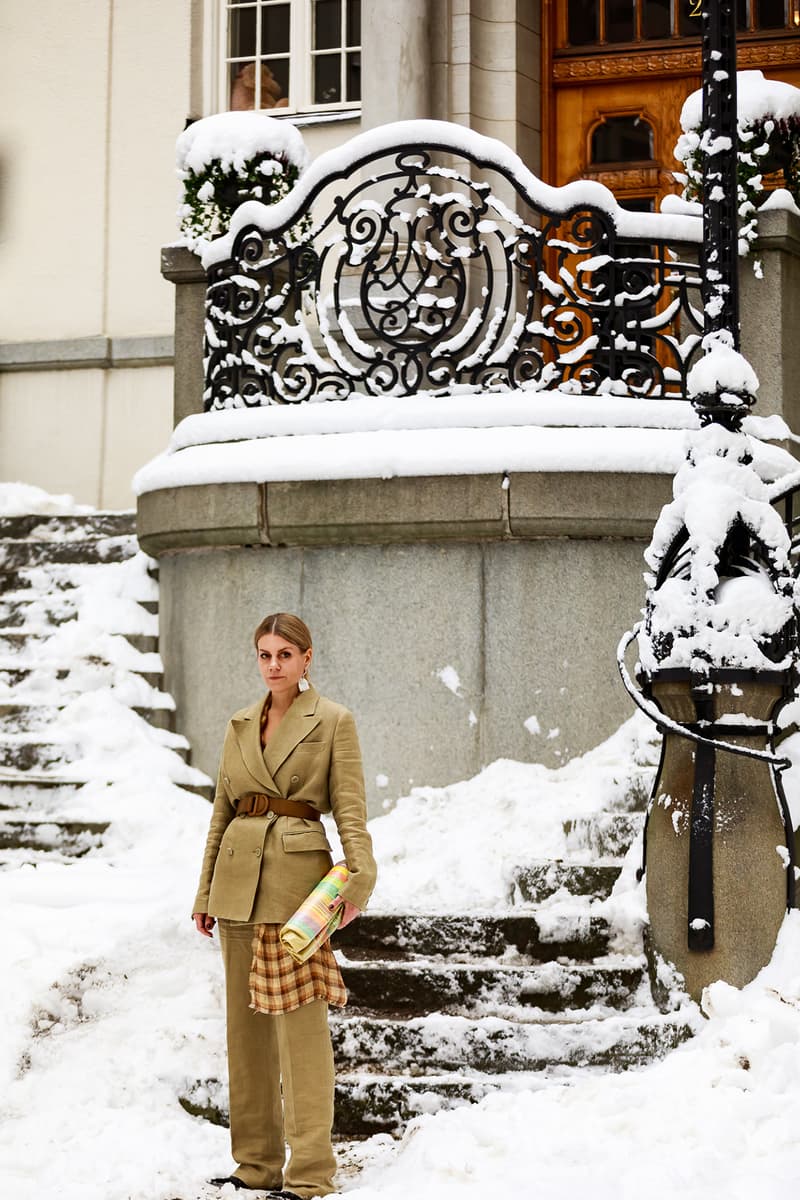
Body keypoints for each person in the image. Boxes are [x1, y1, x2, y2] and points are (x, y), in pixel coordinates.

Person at [192, 612, 377, 1197]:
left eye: (284, 655)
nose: (273, 665)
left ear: (307, 658)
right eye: (264, 654)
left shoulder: (333, 722)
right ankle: (255, 1167)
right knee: (244, 1034)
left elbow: (350, 808)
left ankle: (311, 1174)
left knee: (300, 1033)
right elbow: (221, 810)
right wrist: (204, 892)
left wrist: (359, 878)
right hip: (236, 884)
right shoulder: (240, 723)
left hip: (297, 888)